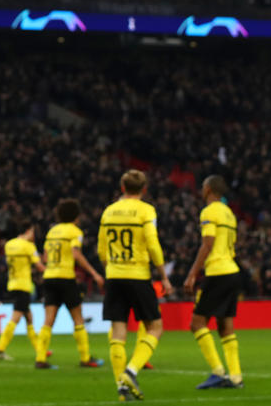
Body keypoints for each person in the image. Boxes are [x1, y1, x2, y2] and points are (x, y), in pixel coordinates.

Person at [98, 169, 173, 402]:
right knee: (155, 326)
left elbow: (101, 250)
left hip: (114, 274)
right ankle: (131, 371)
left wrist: (110, 269)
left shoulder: (108, 211)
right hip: (138, 275)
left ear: (122, 188)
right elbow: (152, 244)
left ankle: (121, 387)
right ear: (144, 189)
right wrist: (164, 276)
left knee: (118, 332)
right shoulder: (146, 210)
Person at [183, 175, 243, 390]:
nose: (201, 190)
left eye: (202, 187)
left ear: (208, 189)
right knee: (225, 326)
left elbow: (208, 244)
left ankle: (218, 372)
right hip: (232, 271)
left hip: (218, 272)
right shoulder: (229, 213)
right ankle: (236, 377)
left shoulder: (209, 211)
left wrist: (192, 274)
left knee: (197, 323)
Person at [36, 198, 105, 368]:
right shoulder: (75, 232)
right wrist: (94, 273)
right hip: (66, 277)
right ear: (76, 215)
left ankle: (40, 359)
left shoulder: (52, 232)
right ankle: (85, 357)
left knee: (48, 320)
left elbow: (44, 257)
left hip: (49, 277)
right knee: (78, 318)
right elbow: (76, 254)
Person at [0, 222, 46, 366]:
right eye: (33, 232)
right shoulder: (28, 247)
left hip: (12, 283)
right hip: (23, 285)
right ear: (28, 231)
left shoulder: (9, 245)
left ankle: (39, 348)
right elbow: (39, 266)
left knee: (29, 318)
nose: (34, 236)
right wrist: (51, 271)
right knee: (15, 318)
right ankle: (0, 349)